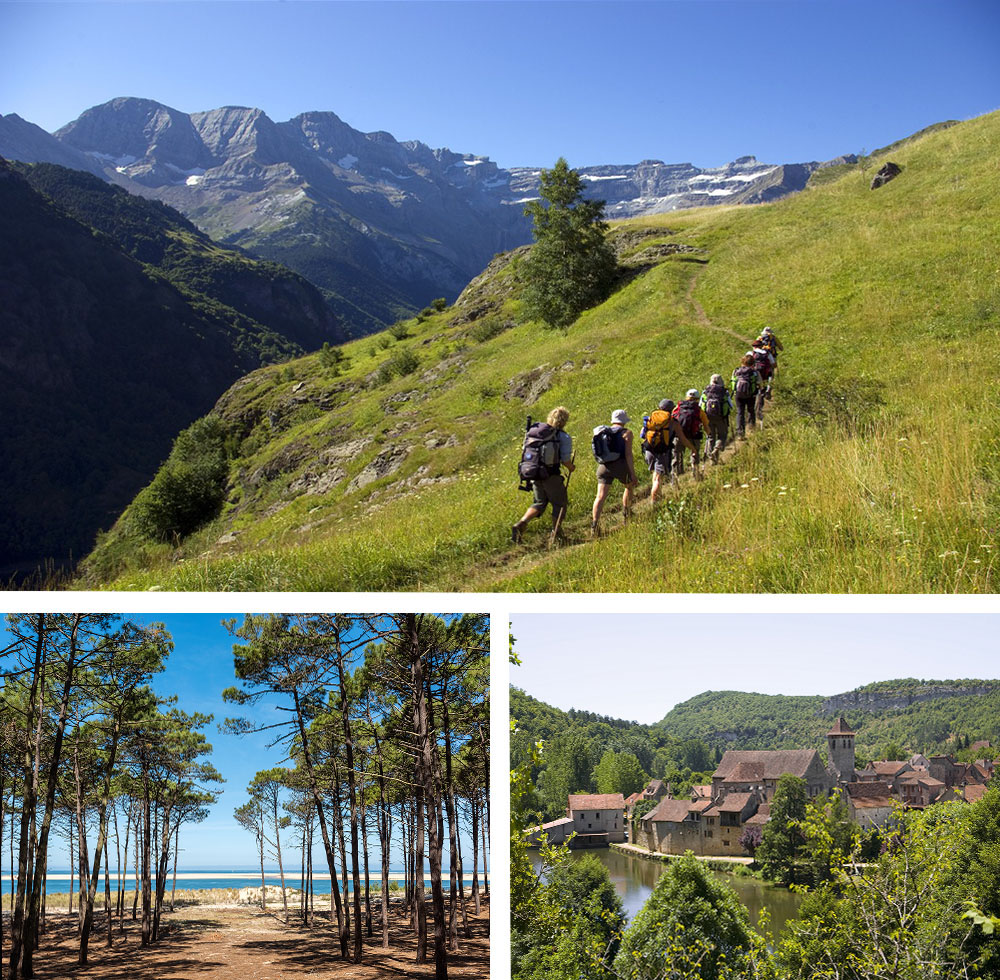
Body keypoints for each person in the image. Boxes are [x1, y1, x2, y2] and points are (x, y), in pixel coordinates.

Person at [512, 406, 575, 543]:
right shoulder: (563, 437)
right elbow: (565, 460)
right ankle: (556, 534)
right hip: (551, 475)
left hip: (534, 474)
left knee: (539, 502)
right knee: (560, 503)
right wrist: (571, 467)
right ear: (564, 421)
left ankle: (522, 522)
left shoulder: (536, 434)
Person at [591, 409, 637, 535]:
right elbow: (628, 454)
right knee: (628, 486)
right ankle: (627, 513)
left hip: (603, 466)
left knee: (600, 496)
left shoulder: (603, 432)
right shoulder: (627, 433)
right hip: (620, 465)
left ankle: (594, 525)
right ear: (624, 421)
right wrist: (632, 473)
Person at [641, 399, 695, 502]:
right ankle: (654, 502)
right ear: (671, 409)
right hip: (662, 451)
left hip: (648, 449)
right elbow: (683, 439)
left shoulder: (651, 418)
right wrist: (693, 449)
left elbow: (642, 434)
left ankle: (659, 496)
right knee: (658, 478)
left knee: (655, 474)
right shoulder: (672, 421)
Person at [672, 390, 709, 480]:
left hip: (679, 436)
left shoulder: (678, 408)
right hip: (694, 436)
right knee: (694, 453)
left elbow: (672, 420)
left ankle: (676, 476)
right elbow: (705, 424)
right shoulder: (699, 411)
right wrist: (709, 434)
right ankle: (695, 474)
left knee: (677, 454)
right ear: (697, 399)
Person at [700, 374, 734, 464]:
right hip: (721, 418)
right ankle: (716, 449)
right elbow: (731, 405)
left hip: (708, 418)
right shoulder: (724, 392)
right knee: (723, 435)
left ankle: (712, 459)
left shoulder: (705, 391)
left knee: (711, 437)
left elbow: (701, 405)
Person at [731, 354, 762, 438]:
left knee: (740, 412)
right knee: (751, 410)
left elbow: (733, 382)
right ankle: (751, 428)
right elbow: (760, 384)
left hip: (738, 394)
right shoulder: (755, 372)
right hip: (750, 394)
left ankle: (740, 433)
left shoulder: (736, 371)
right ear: (753, 363)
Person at [750, 342, 776, 422]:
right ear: (761, 346)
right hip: (764, 376)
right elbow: (773, 364)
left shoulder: (751, 353)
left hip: (753, 377)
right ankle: (759, 410)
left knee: (753, 393)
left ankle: (751, 413)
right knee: (761, 392)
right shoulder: (767, 353)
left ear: (754, 347)